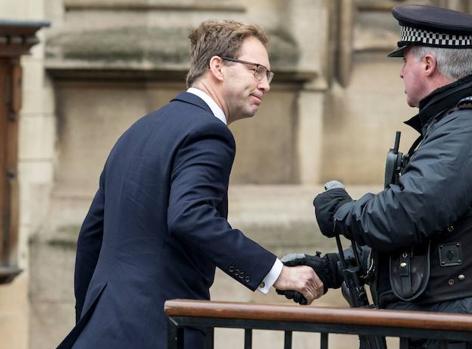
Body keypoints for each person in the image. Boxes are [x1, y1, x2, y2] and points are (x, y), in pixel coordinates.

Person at [58, 20, 324, 349]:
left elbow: (90, 237)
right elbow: (190, 217)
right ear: (217, 67)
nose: (265, 84)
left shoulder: (138, 131)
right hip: (157, 330)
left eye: (268, 74)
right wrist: (277, 273)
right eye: (256, 70)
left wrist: (91, 319)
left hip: (100, 331)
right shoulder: (208, 133)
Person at [287, 4, 472, 349]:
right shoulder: (460, 125)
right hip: (452, 325)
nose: (401, 72)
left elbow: (408, 213)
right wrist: (335, 267)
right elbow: (430, 239)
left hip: (462, 332)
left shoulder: (468, 129)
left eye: (404, 60)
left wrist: (341, 213)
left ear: (428, 64)